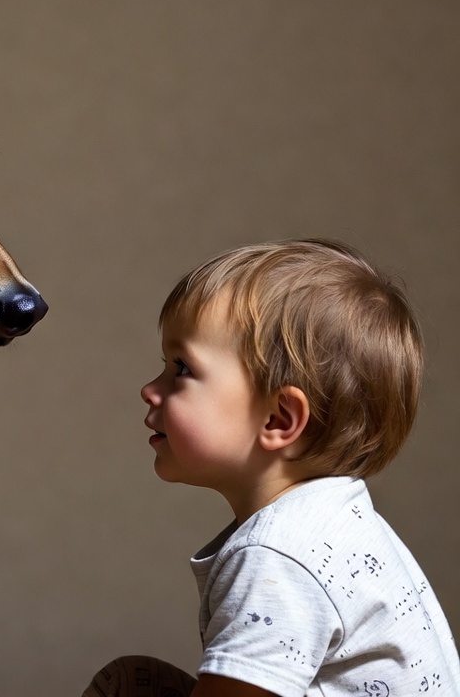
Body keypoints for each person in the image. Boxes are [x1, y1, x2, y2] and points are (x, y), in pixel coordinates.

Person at [83, 239, 460, 697]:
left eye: (181, 368)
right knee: (135, 679)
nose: (149, 388)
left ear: (279, 418)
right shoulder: (337, 521)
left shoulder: (275, 556)